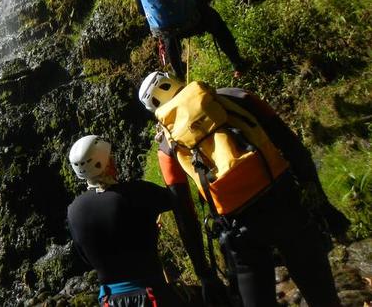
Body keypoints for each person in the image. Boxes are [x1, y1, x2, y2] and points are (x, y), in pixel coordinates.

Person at [138, 71, 350, 307]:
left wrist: (205, 275)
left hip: (239, 232)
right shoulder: (236, 97)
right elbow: (294, 149)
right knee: (324, 299)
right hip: (285, 203)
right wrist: (322, 203)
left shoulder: (168, 148)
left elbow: (185, 215)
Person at [66, 135, 184, 307]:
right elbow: (176, 198)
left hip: (109, 299)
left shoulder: (73, 210)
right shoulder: (136, 192)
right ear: (105, 163)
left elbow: (85, 256)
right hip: (151, 294)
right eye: (110, 157)